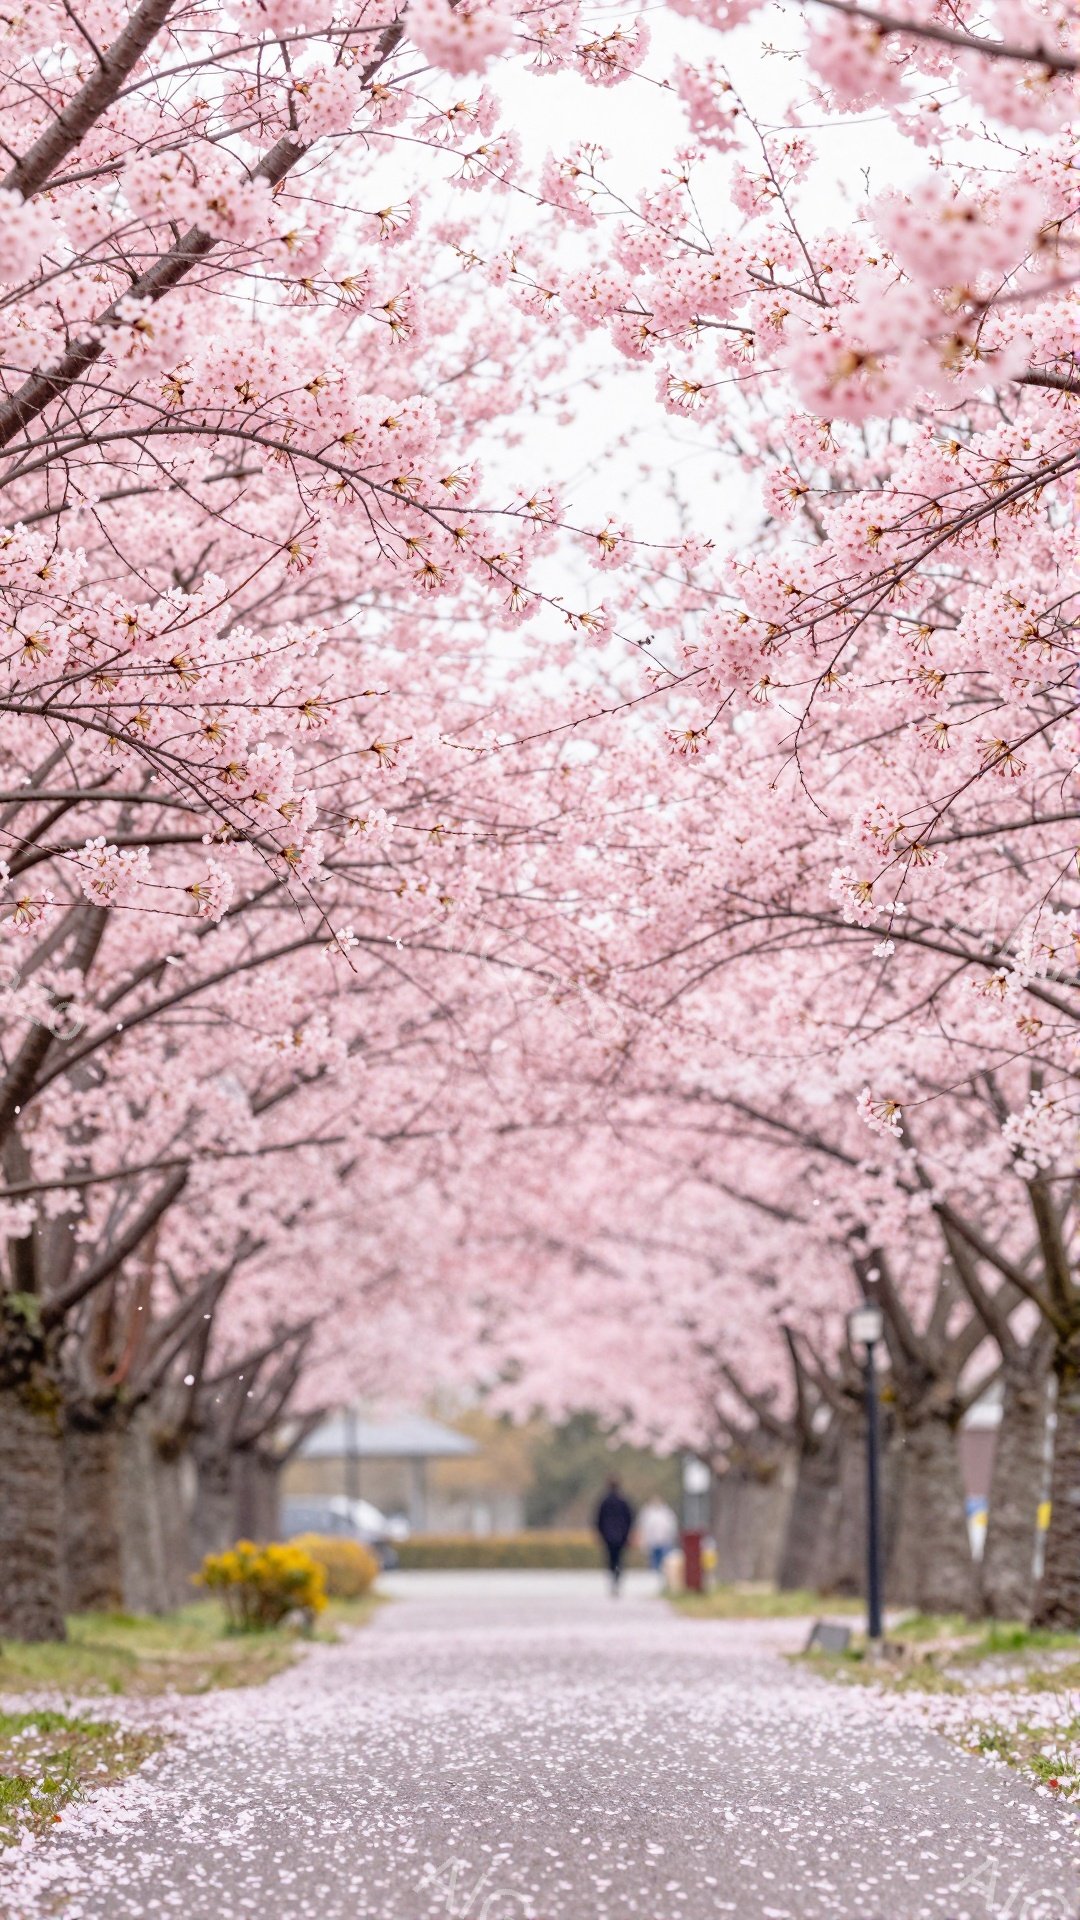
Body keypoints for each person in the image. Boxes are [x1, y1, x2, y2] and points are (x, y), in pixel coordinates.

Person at [595, 1477, 635, 1594]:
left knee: (610, 1558)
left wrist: (600, 1533)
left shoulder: (604, 1501)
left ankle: (613, 1575)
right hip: (621, 1535)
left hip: (608, 1535)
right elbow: (630, 1518)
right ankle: (617, 1575)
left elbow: (598, 1519)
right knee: (619, 1558)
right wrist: (628, 1533)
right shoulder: (623, 1501)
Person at [637, 1495, 679, 1580]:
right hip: (653, 1541)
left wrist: (670, 1536)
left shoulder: (666, 1513)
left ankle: (663, 1576)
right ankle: (655, 1576)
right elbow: (644, 1527)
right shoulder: (648, 1513)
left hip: (664, 1540)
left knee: (664, 1560)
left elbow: (671, 1526)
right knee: (654, 1559)